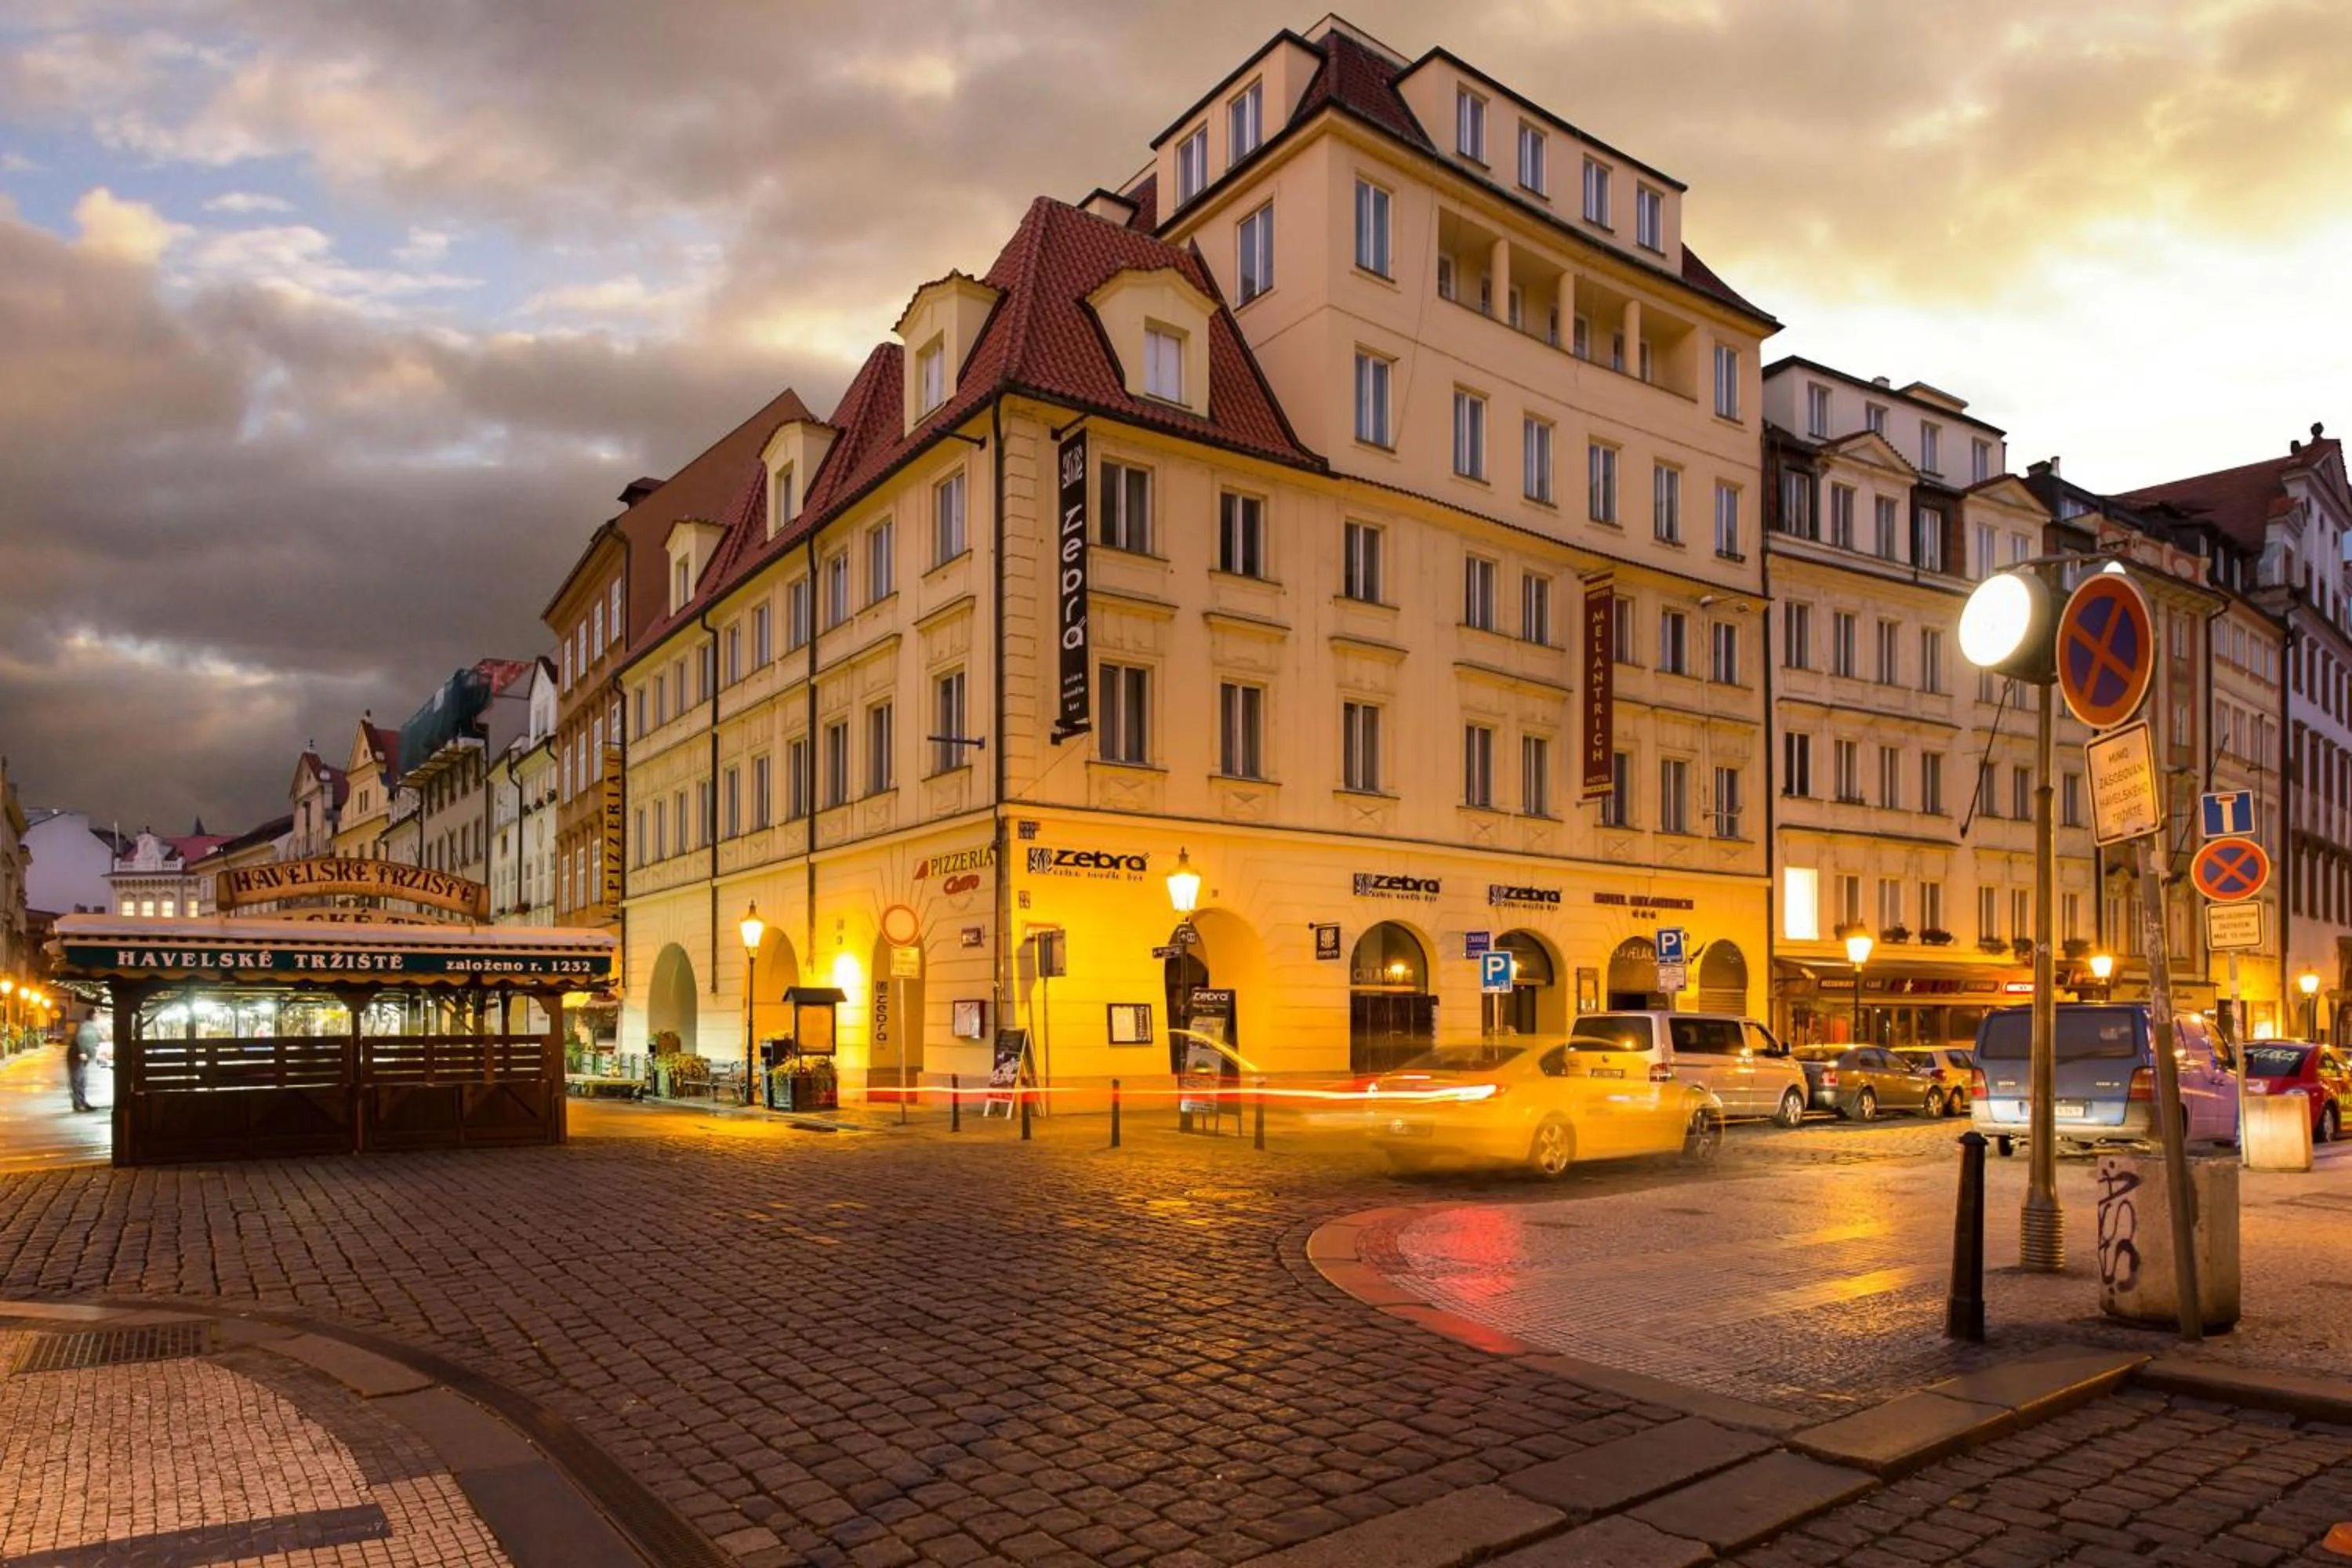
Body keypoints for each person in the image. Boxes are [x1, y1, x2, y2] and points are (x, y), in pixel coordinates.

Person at [64, 1019, 93, 1112]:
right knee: (77, 1083)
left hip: (79, 1062)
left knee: (82, 1083)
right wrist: (85, 1055)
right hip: (76, 1062)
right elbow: (81, 1052)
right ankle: (78, 1104)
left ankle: (82, 1102)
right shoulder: (78, 1039)